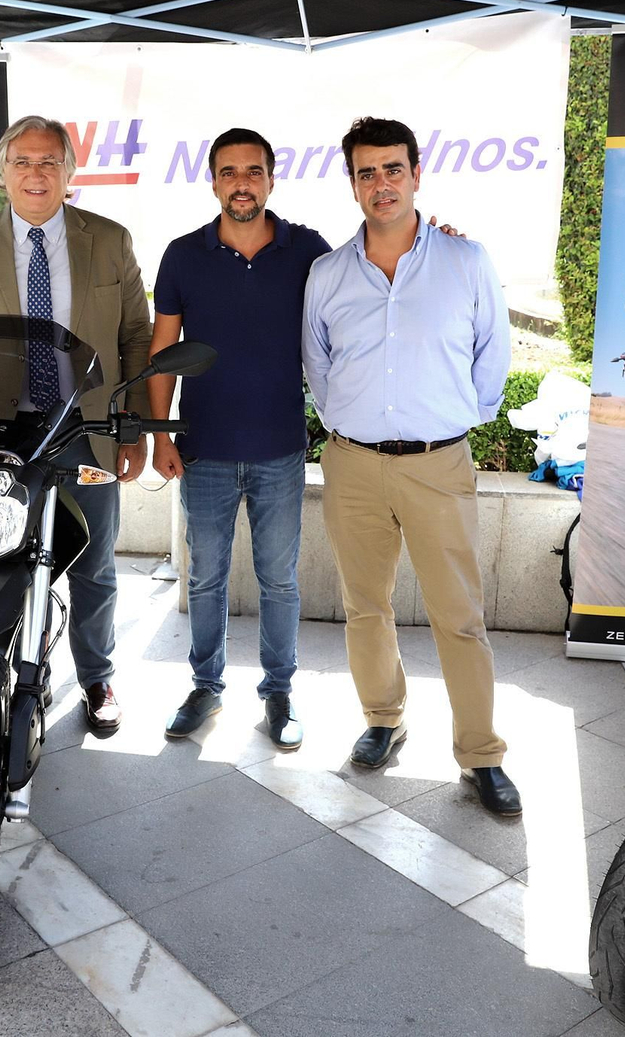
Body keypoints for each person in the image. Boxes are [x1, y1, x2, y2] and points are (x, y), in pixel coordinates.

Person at [302, 116, 521, 817]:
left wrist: (452, 418)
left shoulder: (466, 260)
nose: (381, 184)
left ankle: (482, 754)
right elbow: (318, 366)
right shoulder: (327, 274)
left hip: (438, 463)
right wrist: (355, 426)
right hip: (354, 465)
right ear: (353, 184)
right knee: (365, 606)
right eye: (367, 172)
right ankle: (383, 720)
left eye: (393, 169)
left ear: (417, 173)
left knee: (459, 616)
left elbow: (493, 352)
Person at [0, 114, 152, 735]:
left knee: (94, 562)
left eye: (49, 162)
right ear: (2, 173)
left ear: (69, 173)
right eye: (22, 162)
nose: (35, 173)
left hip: (85, 427)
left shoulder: (109, 240)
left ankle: (96, 676)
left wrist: (131, 430)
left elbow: (135, 334)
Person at [149, 128, 330, 750]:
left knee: (279, 579)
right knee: (205, 578)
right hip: (203, 448)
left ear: (272, 179)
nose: (242, 183)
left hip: (280, 446)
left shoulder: (308, 250)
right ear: (214, 181)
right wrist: (160, 433)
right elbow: (163, 350)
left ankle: (279, 693)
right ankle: (205, 686)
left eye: (253, 171)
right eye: (229, 172)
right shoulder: (183, 255)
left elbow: (357, 308)